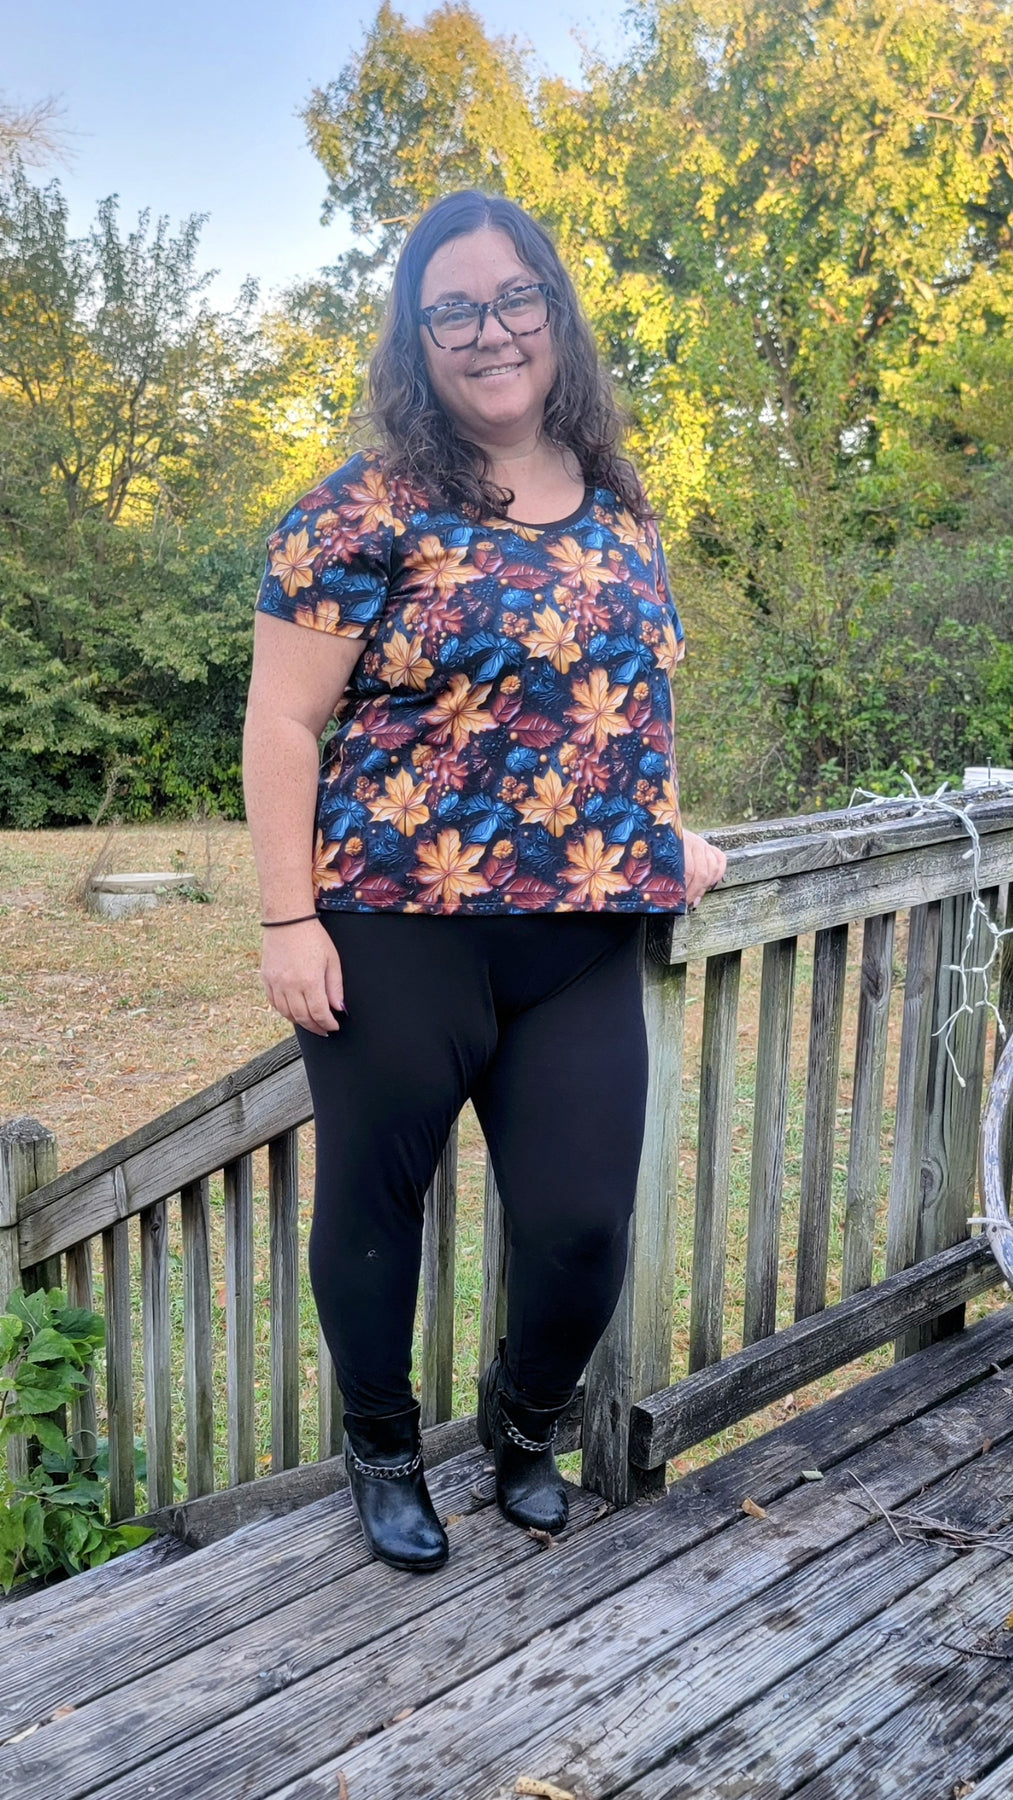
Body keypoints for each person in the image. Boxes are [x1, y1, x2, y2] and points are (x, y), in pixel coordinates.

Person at [243, 190, 726, 1576]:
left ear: (554, 312)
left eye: (513, 298)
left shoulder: (620, 499)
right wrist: (286, 918)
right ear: (416, 337)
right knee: (374, 1208)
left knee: (580, 1226)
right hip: (394, 926)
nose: (488, 331)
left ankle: (522, 1424)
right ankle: (384, 1450)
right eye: (451, 310)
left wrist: (664, 823)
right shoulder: (357, 509)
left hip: (581, 930)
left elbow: (627, 693)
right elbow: (282, 723)